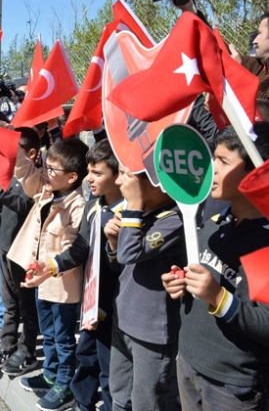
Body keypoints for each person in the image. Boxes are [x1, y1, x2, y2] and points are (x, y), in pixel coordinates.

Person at [162, 124, 269, 411]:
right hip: (189, 363)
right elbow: (199, 285)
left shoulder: (263, 242)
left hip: (232, 386)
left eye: (222, 161)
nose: (211, 168)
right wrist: (180, 282)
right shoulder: (214, 225)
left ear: (254, 172)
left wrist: (218, 298)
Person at [32, 139, 124, 411]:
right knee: (86, 354)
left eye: (97, 173)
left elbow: (123, 264)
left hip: (115, 301)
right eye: (89, 170)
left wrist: (115, 245)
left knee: (109, 370)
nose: (90, 178)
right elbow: (82, 245)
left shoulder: (128, 212)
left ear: (119, 176)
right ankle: (80, 401)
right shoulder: (95, 203)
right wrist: (50, 266)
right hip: (92, 297)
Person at [14, 138, 88, 411]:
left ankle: (64, 385)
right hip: (40, 281)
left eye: (52, 169)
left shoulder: (77, 206)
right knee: (48, 332)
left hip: (62, 286)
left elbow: (72, 249)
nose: (45, 173)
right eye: (45, 166)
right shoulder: (46, 191)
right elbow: (25, 172)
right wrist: (11, 147)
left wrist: (47, 271)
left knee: (64, 338)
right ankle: (51, 374)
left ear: (72, 176)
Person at [106, 167, 185, 411]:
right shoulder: (143, 213)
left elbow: (130, 253)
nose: (119, 181)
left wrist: (134, 205)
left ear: (155, 182)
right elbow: (120, 262)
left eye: (127, 175)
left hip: (151, 331)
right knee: (119, 394)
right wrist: (112, 242)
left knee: (145, 403)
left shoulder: (175, 219)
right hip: (124, 318)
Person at [0, 127, 39, 369]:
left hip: (24, 254)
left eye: (15, 153)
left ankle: (27, 350)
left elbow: (24, 205)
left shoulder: (36, 178)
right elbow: (7, 213)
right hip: (5, 248)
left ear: (31, 153)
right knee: (9, 302)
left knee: (26, 305)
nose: (8, 158)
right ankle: (7, 345)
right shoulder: (10, 177)